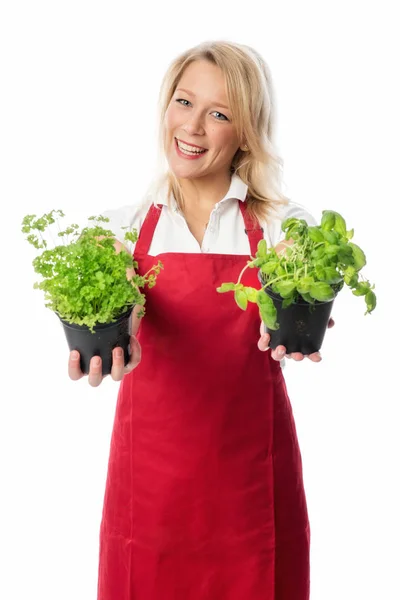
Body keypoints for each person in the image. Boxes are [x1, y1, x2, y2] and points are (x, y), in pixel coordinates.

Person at [69, 40, 334, 600]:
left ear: (246, 131)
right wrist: (116, 325)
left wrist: (304, 304)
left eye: (219, 113)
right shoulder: (124, 227)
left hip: (251, 483)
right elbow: (104, 293)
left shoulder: (281, 225)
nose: (193, 127)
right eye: (184, 102)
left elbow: (308, 274)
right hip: (151, 490)